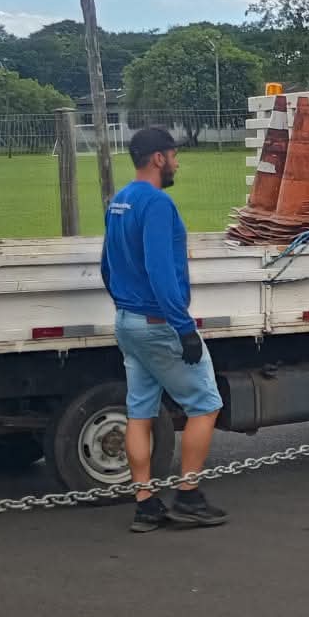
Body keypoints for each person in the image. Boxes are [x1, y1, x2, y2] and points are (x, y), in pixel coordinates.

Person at [99, 126, 228, 532]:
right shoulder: (157, 203)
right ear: (158, 158)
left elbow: (107, 265)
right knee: (205, 405)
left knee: (140, 410)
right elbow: (160, 270)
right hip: (159, 324)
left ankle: (146, 503)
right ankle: (188, 495)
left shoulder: (119, 200)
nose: (176, 162)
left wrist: (125, 305)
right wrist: (183, 327)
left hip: (128, 323)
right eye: (173, 155)